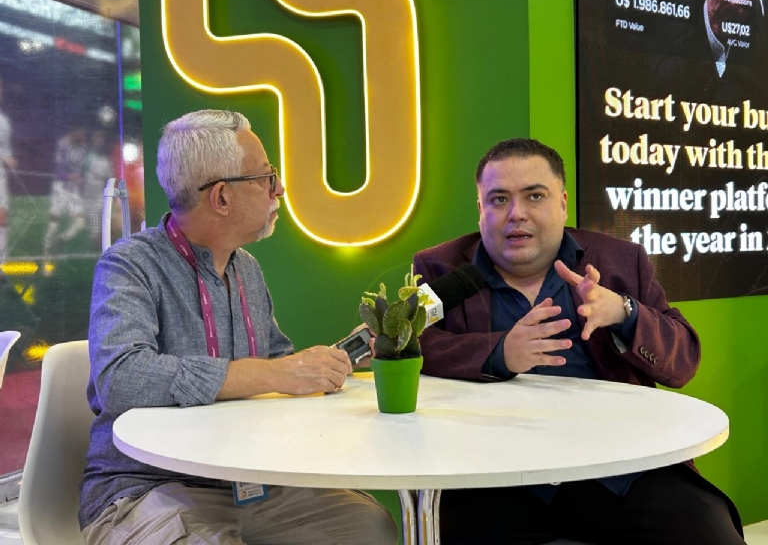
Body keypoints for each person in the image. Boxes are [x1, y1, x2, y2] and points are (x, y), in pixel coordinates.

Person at [80, 110, 398, 545]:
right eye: (267, 177)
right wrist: (273, 373)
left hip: (248, 480)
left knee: (368, 526)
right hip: (146, 487)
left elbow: (274, 366)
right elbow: (122, 378)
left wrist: (322, 369)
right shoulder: (129, 264)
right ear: (222, 197)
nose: (279, 189)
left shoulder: (246, 268)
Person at [413, 138, 745, 545]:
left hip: (621, 468)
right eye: (499, 199)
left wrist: (625, 313)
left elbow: (683, 361)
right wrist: (498, 353)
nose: (517, 214)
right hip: (493, 478)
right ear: (480, 208)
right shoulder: (441, 268)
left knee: (710, 532)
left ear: (563, 203)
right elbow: (407, 344)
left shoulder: (621, 261)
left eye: (535, 196)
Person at [43, 127, 88, 266]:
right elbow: (58, 171)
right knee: (53, 224)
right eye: (81, 134)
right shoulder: (63, 146)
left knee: (80, 222)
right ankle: (46, 255)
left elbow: (80, 169)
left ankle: (61, 240)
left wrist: (79, 179)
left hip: (73, 190)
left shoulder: (82, 148)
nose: (83, 137)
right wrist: (70, 176)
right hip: (60, 189)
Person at [0, 77, 17, 263]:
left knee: (2, 219)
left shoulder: (4, 121)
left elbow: (6, 151)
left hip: (0, 177)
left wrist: (9, 160)